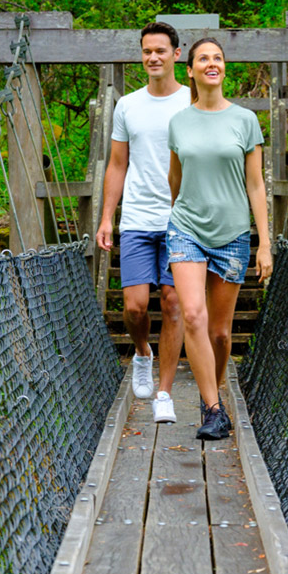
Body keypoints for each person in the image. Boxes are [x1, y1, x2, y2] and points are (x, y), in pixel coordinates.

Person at [166, 37, 273, 441]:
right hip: (187, 228)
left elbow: (256, 186)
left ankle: (214, 391)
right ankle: (212, 408)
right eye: (203, 59)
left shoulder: (245, 120)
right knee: (192, 314)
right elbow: (175, 180)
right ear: (190, 71)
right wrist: (182, 215)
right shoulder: (178, 122)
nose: (212, 63)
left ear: (224, 68)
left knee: (220, 334)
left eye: (218, 58)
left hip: (231, 234)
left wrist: (264, 244)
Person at [95, 22, 193, 422]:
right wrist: (106, 217)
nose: (153, 57)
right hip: (136, 218)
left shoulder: (193, 101)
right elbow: (117, 164)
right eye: (146, 51)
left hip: (181, 220)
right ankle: (141, 353)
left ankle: (165, 393)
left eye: (160, 51)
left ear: (176, 54)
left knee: (172, 304)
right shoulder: (127, 105)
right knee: (135, 307)